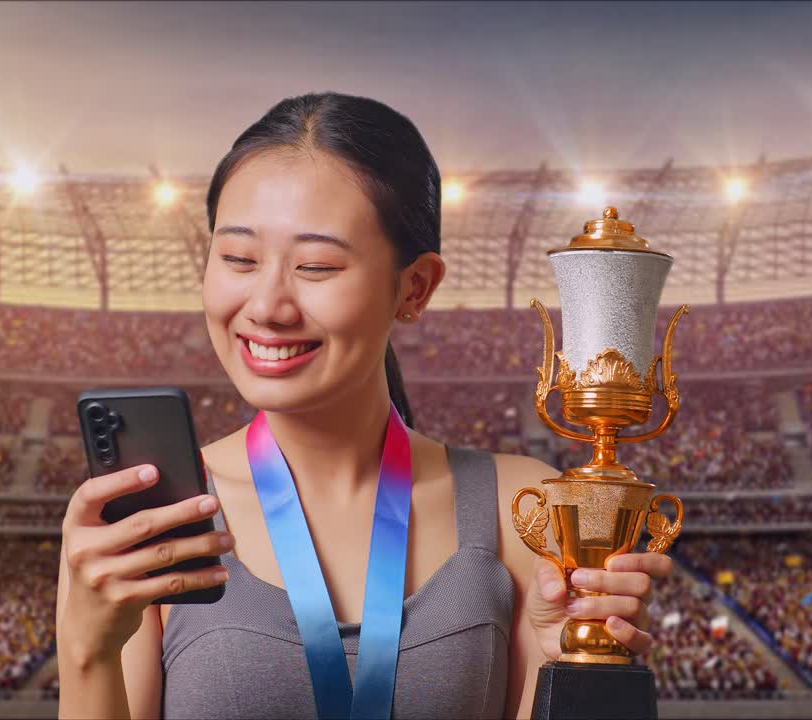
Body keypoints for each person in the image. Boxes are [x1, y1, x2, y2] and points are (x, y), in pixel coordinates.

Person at [55, 91, 670, 719]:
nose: (266, 306)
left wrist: (574, 670)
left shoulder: (529, 513)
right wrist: (86, 648)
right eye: (238, 258)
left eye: (316, 266)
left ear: (415, 287)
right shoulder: (151, 520)